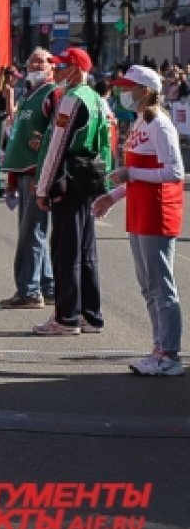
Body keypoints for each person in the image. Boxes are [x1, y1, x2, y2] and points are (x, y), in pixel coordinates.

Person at [94, 65, 184, 376]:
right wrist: (114, 195)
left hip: (158, 211)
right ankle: (158, 348)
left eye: (129, 88)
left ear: (144, 91)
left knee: (161, 286)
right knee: (148, 286)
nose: (124, 93)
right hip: (140, 211)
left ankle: (170, 355)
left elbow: (174, 173)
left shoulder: (160, 124)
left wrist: (131, 174)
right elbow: (137, 175)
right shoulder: (139, 123)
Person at [33, 47, 112, 336]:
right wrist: (106, 185)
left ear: (77, 70)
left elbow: (56, 148)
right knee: (86, 250)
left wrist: (43, 187)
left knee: (65, 251)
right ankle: (91, 314)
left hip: (67, 177)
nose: (57, 71)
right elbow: (106, 143)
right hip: (89, 177)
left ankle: (66, 318)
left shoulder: (71, 99)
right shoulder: (96, 98)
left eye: (63, 66)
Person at [0, 49, 60, 309]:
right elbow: (17, 135)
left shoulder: (53, 94)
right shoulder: (28, 95)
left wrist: (44, 176)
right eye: (31, 60)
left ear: (51, 66)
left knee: (31, 234)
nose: (35, 64)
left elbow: (55, 137)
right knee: (35, 233)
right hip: (23, 173)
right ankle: (47, 287)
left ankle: (29, 291)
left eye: (41, 61)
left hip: (37, 174)